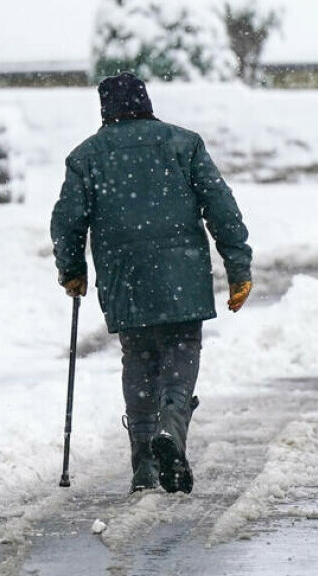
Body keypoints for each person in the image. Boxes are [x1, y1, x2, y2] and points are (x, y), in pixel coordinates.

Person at [50, 73, 253, 494]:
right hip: (182, 274)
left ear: (105, 109)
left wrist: (72, 269)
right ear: (146, 101)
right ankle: (172, 426)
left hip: (126, 277)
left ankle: (143, 462)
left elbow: (67, 221)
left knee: (139, 358)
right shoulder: (184, 144)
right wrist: (238, 266)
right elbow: (221, 206)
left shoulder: (86, 157)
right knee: (181, 349)